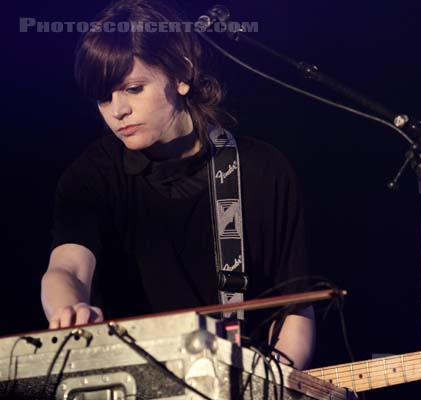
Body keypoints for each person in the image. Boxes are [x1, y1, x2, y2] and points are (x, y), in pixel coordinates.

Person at [40, 0, 315, 370]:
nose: (117, 111)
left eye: (133, 88)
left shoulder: (262, 170)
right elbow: (68, 269)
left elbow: (296, 306)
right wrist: (68, 310)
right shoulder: (91, 176)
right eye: (104, 98)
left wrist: (277, 381)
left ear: (182, 74)